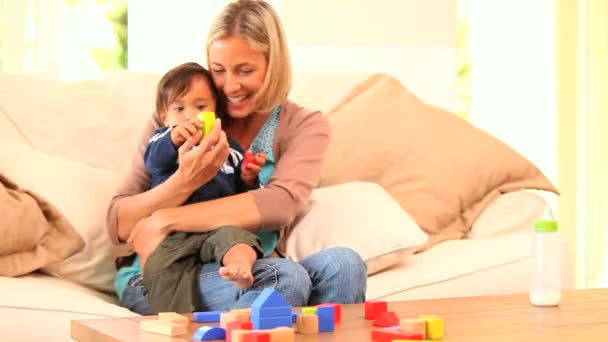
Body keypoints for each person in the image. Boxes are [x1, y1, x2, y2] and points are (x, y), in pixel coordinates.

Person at [107, 0, 367, 316]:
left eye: (245, 70)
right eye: (218, 70)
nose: (230, 86)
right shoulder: (182, 114)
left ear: (274, 65)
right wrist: (184, 182)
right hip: (164, 274)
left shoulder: (305, 126)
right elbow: (119, 221)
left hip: (243, 265)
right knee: (282, 277)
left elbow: (280, 203)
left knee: (345, 265)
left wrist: (164, 219)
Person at [140, 62, 269, 314]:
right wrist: (174, 137)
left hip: (216, 228)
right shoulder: (162, 139)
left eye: (201, 107)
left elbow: (243, 196)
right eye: (179, 108)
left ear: (215, 111)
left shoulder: (228, 147)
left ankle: (240, 268)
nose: (190, 116)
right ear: (164, 115)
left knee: (238, 239)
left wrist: (249, 176)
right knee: (161, 269)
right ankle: (176, 320)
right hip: (176, 233)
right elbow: (153, 160)